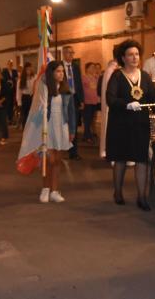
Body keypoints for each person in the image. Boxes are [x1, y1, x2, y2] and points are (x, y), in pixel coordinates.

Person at [106, 39, 155, 211]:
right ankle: (118, 192)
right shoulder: (117, 76)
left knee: (142, 160)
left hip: (140, 124)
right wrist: (126, 104)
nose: (134, 58)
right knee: (121, 158)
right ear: (123, 58)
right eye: (130, 55)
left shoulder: (145, 76)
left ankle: (142, 197)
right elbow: (110, 99)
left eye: (136, 54)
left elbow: (152, 97)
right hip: (120, 124)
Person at [37, 61, 76, 203]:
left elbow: (72, 112)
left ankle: (54, 190)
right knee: (48, 160)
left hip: (62, 127)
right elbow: (36, 110)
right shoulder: (45, 89)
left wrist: (72, 130)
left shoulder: (67, 89)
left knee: (57, 160)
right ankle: (45, 189)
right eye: (58, 71)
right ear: (51, 73)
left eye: (62, 71)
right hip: (48, 127)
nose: (61, 74)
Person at [62, 45, 84, 160]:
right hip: (62, 99)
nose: (71, 55)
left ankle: (73, 152)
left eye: (72, 53)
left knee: (73, 125)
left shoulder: (75, 67)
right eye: (69, 53)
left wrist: (81, 100)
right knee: (62, 124)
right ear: (63, 54)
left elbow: (79, 84)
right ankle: (60, 148)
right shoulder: (59, 66)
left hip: (74, 98)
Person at [81, 62, 99, 143]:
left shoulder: (95, 77)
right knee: (87, 120)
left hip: (94, 102)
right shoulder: (83, 77)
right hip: (87, 102)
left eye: (94, 67)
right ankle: (87, 136)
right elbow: (81, 90)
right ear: (87, 69)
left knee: (91, 119)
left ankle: (87, 135)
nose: (93, 69)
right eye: (91, 67)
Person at [16, 62, 35, 128]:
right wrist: (19, 102)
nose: (29, 71)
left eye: (30, 69)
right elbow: (19, 92)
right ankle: (25, 129)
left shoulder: (34, 78)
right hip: (25, 98)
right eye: (27, 69)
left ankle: (31, 129)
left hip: (32, 97)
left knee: (32, 114)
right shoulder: (21, 80)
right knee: (25, 115)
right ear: (25, 70)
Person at [2, 59, 18, 125]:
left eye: (11, 64)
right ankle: (9, 119)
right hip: (7, 91)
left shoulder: (14, 71)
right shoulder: (4, 71)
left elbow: (16, 79)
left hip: (14, 91)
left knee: (12, 105)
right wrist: (8, 82)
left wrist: (13, 82)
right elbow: (3, 81)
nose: (10, 65)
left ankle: (12, 118)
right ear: (7, 64)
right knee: (8, 105)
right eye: (9, 64)